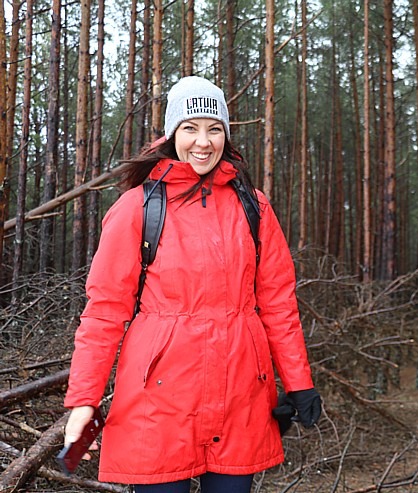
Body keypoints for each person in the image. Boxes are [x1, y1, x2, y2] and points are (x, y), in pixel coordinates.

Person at [63, 76, 322, 493]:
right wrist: (83, 401)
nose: (204, 142)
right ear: (171, 134)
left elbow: (277, 303)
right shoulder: (136, 209)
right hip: (158, 402)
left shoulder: (254, 207)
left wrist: (298, 382)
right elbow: (104, 311)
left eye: (214, 128)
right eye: (191, 128)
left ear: (226, 135)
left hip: (241, 394)